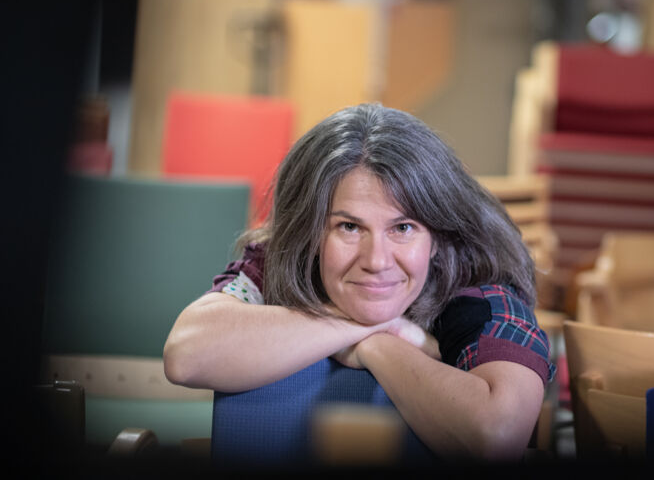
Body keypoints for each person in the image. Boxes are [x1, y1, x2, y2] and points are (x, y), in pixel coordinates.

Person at [163, 103, 555, 462]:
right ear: (310, 234)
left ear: (438, 237)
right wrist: (369, 325)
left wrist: (377, 347)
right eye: (349, 227)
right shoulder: (284, 261)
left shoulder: (479, 288)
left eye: (403, 227)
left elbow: (495, 438)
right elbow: (186, 355)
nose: (376, 261)